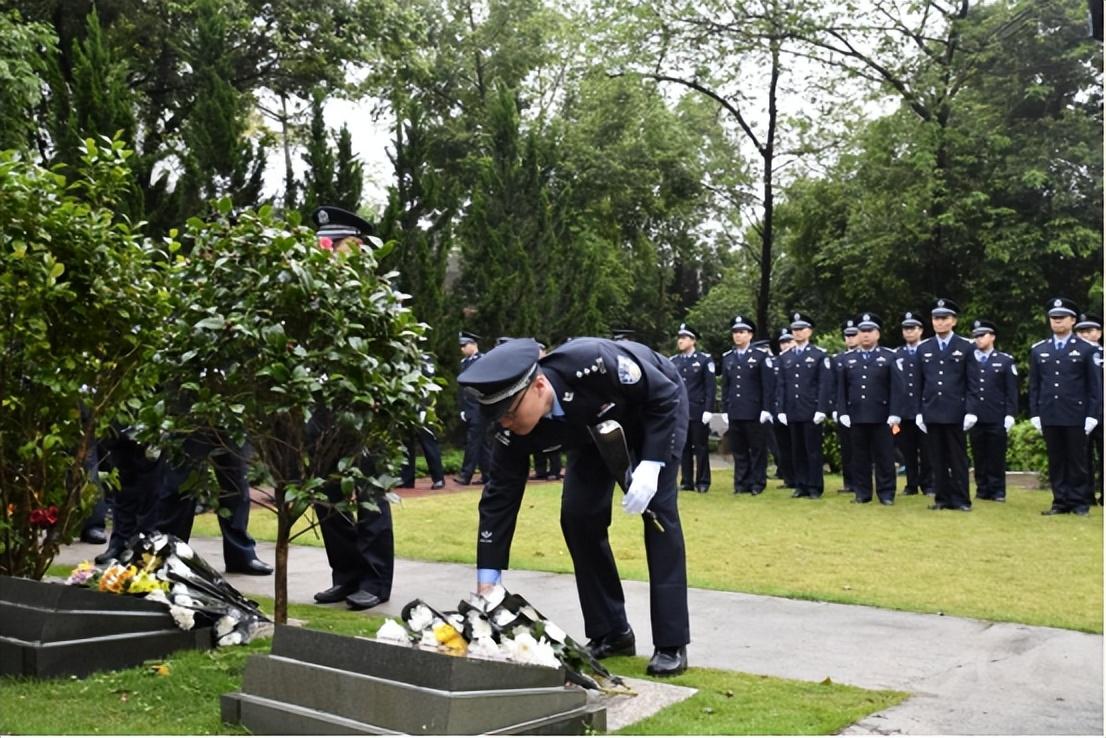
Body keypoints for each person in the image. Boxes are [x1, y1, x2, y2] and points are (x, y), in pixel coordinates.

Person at [459, 337, 691, 677]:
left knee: (658, 515)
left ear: (538, 386)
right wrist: (488, 584)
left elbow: (664, 394)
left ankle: (671, 643)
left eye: (509, 412)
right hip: (592, 433)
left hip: (652, 413)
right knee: (578, 517)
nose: (505, 423)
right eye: (498, 418)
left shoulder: (593, 364)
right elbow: (498, 502)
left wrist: (653, 464)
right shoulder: (512, 432)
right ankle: (612, 631)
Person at [308, 205, 394, 609]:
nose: (322, 250)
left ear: (356, 248)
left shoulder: (375, 294)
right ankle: (345, 575)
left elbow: (391, 350)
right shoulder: (309, 292)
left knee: (369, 490)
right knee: (327, 494)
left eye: (332, 244)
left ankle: (375, 581)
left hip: (363, 407)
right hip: (321, 406)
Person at [155, 432, 273, 574]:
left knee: (236, 484)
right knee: (181, 485)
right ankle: (169, 553)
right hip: (190, 419)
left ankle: (240, 556)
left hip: (230, 419)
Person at [1029, 298, 1101, 516]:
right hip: (1050, 412)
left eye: (1061, 318)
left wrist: (1092, 415)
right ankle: (1060, 501)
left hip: (1075, 414)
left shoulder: (1086, 350)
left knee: (1077, 460)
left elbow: (1094, 387)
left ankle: (1079, 502)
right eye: (1053, 318)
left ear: (1072, 320)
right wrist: (1035, 413)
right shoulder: (1039, 349)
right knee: (1057, 459)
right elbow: (1034, 385)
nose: (1057, 322)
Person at [836, 313, 903, 505]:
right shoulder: (848, 359)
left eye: (869, 331)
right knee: (859, 457)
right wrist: (842, 412)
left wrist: (895, 412)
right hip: (856, 415)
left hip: (882, 416)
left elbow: (898, 388)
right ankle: (862, 493)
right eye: (862, 331)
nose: (865, 335)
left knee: (885, 456)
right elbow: (842, 389)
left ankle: (886, 493)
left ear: (877, 334)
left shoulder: (889, 357)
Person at [915, 298, 973, 512]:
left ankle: (961, 499)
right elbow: (919, 382)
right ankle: (942, 498)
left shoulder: (966, 346)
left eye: (944, 318)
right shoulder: (924, 347)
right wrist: (919, 411)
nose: (939, 322)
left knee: (957, 458)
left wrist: (971, 410)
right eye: (936, 318)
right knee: (936, 458)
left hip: (956, 410)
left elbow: (972, 381)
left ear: (953, 321)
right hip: (932, 409)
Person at [776, 312, 833, 499]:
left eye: (801, 329)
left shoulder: (818, 355)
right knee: (797, 450)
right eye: (795, 330)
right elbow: (782, 385)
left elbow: (824, 385)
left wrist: (822, 409)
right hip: (793, 409)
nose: (797, 333)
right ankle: (801, 484)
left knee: (813, 450)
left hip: (811, 409)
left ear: (810, 331)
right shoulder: (786, 357)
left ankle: (815, 486)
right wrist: (781, 409)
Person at [719, 315, 775, 495]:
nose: (738, 336)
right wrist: (724, 410)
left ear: (750, 335)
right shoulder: (728, 357)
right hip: (735, 410)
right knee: (739, 449)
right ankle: (741, 483)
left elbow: (767, 385)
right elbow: (726, 385)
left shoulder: (760, 356)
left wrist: (766, 408)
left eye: (742, 332)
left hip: (754, 410)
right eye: (735, 332)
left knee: (757, 449)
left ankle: (758, 483)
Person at [964, 320, 1018, 503]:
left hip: (996, 415)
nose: (978, 339)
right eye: (975, 336)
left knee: (996, 455)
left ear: (992, 336)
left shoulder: (1004, 360)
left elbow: (1011, 390)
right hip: (976, 416)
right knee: (978, 455)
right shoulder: (969, 360)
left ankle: (998, 490)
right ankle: (982, 488)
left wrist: (1010, 413)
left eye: (982, 335)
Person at [670, 324, 716, 493]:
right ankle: (687, 480)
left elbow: (709, 387)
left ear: (693, 340)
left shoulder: (704, 360)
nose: (680, 341)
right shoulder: (674, 361)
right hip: (680, 411)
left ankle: (703, 480)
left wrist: (708, 409)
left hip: (698, 409)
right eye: (679, 338)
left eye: (684, 338)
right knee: (683, 447)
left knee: (701, 447)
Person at [894, 311, 932, 496]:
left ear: (921, 330)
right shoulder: (897, 354)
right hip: (904, 411)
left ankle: (928, 483)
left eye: (912, 328)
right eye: (905, 329)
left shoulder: (928, 351)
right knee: (907, 449)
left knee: (927, 450)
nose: (908, 332)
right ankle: (911, 484)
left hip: (924, 409)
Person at [398, 353, 446, 490]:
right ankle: (407, 479)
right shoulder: (402, 359)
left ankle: (438, 478)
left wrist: (424, 407)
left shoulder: (423, 359)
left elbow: (427, 383)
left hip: (422, 408)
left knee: (429, 443)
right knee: (406, 445)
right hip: (407, 408)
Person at [1074, 312, 1103, 505]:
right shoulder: (1074, 356)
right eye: (1080, 331)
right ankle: (1086, 494)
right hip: (1082, 413)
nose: (1084, 335)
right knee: (1082, 457)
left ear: (1099, 333)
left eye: (1088, 330)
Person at [456, 331, 490, 485]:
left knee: (473, 442)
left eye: (464, 345)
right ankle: (488, 474)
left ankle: (466, 474)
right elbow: (462, 387)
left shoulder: (482, 360)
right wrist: (463, 408)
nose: (462, 348)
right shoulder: (464, 362)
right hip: (469, 408)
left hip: (479, 407)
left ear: (473, 344)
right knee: (481, 443)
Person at [833, 319, 860, 494]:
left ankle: (861, 482)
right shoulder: (838, 359)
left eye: (853, 335)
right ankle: (849, 482)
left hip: (861, 408)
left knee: (861, 448)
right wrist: (836, 408)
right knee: (847, 448)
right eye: (847, 336)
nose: (850, 339)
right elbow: (833, 386)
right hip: (844, 409)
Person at [772, 328, 796, 488]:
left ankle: (802, 479)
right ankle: (788, 478)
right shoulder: (775, 361)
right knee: (783, 447)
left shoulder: (798, 360)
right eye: (782, 342)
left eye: (788, 341)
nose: (785, 345)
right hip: (778, 410)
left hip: (795, 409)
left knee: (797, 446)